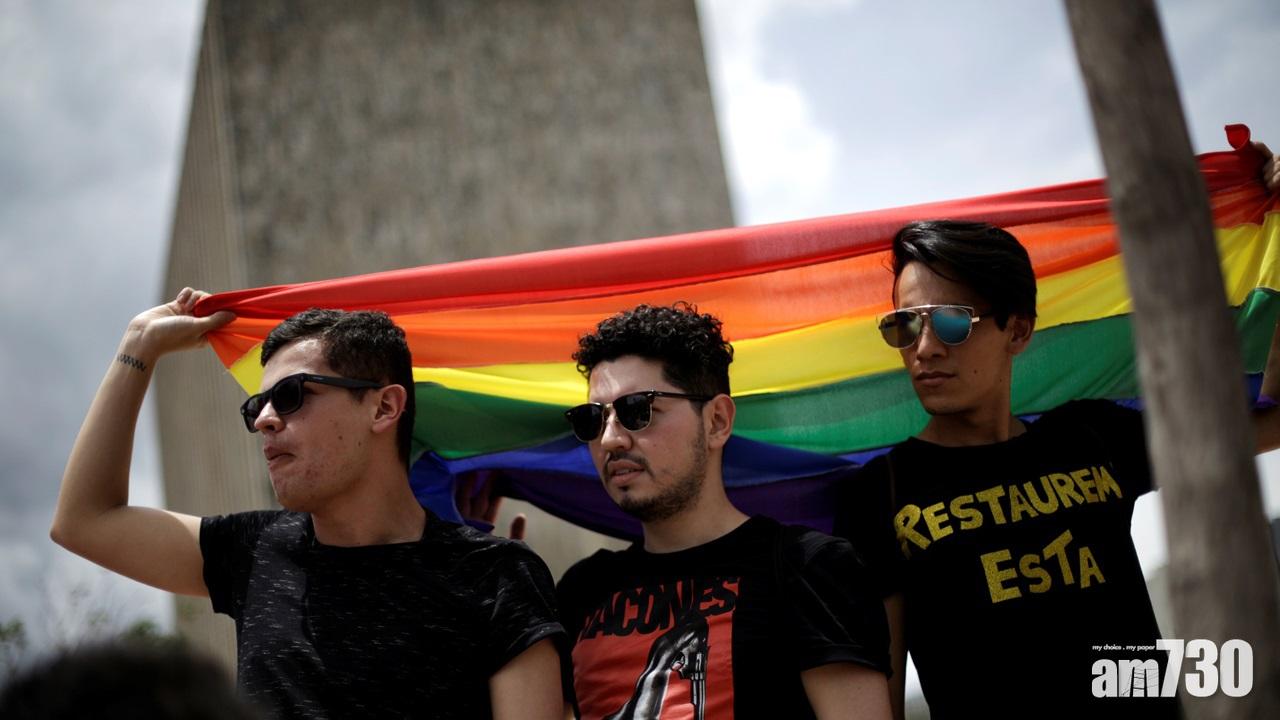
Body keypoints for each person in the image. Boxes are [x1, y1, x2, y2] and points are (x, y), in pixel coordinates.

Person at [836, 211, 1280, 717]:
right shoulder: (881, 492)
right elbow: (880, 702)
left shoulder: (1091, 437)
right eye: (905, 325)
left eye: (953, 322)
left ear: (1018, 331)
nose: (925, 349)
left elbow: (1269, 419)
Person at [51, 289, 569, 720]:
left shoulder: (495, 575)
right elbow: (85, 521)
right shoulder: (254, 550)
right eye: (257, 405)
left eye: (292, 395)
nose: (264, 420)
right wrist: (138, 345)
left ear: (384, 407)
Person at [555, 303, 892, 719]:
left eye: (637, 410)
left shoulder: (808, 569)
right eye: (593, 418)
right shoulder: (580, 591)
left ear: (716, 421)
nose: (610, 439)